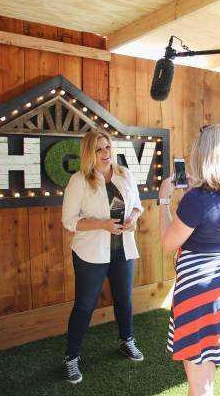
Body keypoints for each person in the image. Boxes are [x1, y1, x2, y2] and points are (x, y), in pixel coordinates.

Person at [158, 124, 220, 396]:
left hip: (200, 293)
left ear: (203, 154)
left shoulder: (197, 199)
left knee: (201, 379)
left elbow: (168, 242)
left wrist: (163, 202)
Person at [61, 130, 145, 384]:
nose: (106, 153)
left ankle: (127, 341)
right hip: (90, 254)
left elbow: (138, 205)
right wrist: (102, 225)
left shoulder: (125, 174)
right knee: (85, 306)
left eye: (108, 147)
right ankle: (71, 357)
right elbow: (69, 221)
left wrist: (132, 219)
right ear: (89, 153)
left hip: (122, 251)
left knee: (123, 299)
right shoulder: (79, 181)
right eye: (99, 149)